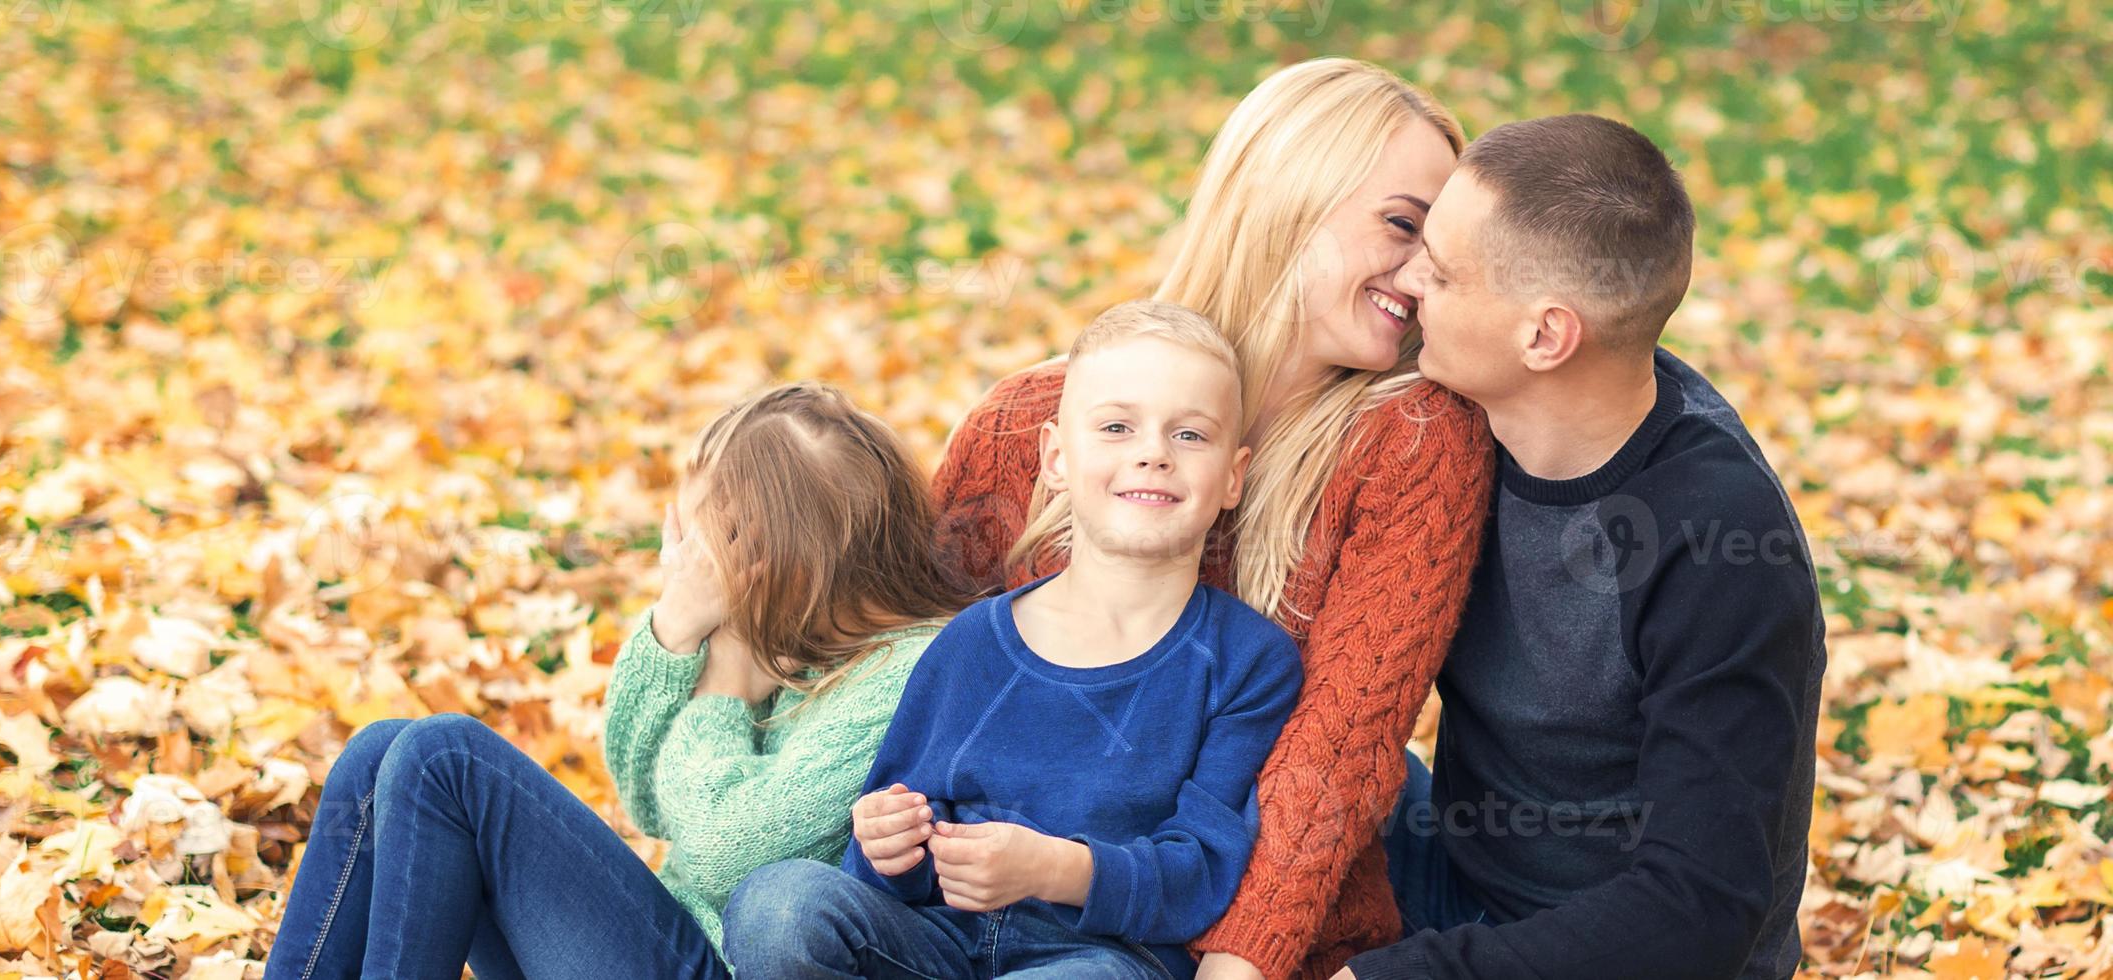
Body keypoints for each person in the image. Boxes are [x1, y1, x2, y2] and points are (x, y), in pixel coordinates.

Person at [928, 59, 1496, 980]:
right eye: (1403, 225)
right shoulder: (1026, 426)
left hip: (1216, 952)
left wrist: (1235, 969)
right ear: (1283, 194)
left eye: (1444, 253)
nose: (1425, 275)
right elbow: (901, 683)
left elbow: (1333, 762)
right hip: (969, 929)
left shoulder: (1410, 444)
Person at [264, 382, 971, 980]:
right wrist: (674, 631)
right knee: (381, 752)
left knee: (444, 759)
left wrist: (721, 689)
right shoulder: (795, 642)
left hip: (715, 964)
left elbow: (726, 847)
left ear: (773, 560)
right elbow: (644, 797)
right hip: (658, 943)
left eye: (694, 548)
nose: (682, 564)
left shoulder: (905, 674)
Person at [1341, 114, 1826, 979]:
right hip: (1456, 876)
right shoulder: (1452, 422)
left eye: (1442, 273)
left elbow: (1699, 907)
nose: (1409, 280)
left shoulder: (1716, 543)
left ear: (1545, 337)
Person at [722, 301, 1304, 979]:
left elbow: (1202, 873)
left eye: (1190, 436)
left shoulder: (1245, 662)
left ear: (1233, 476)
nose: (1152, 453)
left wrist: (1054, 869)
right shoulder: (974, 643)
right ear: (1057, 457)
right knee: (777, 903)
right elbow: (893, 848)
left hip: (1101, 956)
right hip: (940, 944)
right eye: (1117, 427)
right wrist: (887, 845)